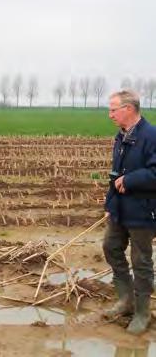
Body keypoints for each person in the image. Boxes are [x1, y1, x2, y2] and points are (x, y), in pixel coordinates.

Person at [103, 89, 156, 335]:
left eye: (113, 109)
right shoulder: (121, 136)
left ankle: (143, 313)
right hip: (120, 210)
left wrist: (131, 180)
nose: (110, 114)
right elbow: (116, 175)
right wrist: (109, 205)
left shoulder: (151, 136)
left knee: (141, 262)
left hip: (144, 212)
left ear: (129, 109)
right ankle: (126, 301)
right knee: (111, 248)